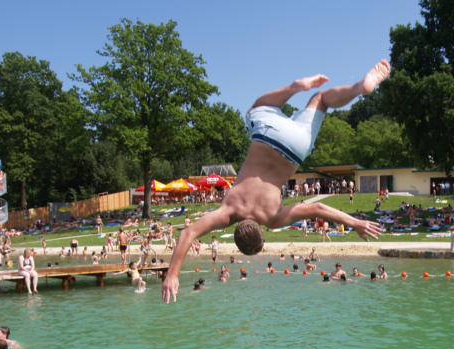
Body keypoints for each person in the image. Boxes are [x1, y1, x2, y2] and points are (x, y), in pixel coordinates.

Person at [162, 59, 391, 303]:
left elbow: (318, 208)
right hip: (267, 134)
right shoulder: (226, 211)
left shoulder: (273, 218)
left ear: (261, 233)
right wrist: (172, 274)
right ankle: (295, 87)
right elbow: (188, 234)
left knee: (321, 99)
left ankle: (358, 89)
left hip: (295, 148)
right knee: (255, 108)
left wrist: (355, 222)